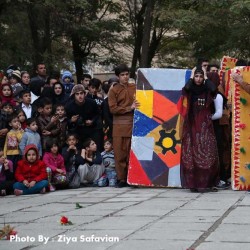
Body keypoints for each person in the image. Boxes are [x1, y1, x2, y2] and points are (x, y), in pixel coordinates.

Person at [179, 66, 219, 192]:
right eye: (196, 76)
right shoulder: (190, 90)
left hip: (204, 125)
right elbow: (185, 89)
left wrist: (207, 78)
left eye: (201, 76)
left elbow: (214, 89)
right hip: (191, 124)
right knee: (190, 153)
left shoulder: (207, 90)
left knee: (207, 152)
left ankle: (207, 183)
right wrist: (190, 77)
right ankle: (193, 184)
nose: (198, 78)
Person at [108, 64, 139, 187]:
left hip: (133, 124)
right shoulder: (113, 90)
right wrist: (129, 108)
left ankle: (132, 178)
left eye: (127, 74)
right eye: (122, 75)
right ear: (117, 76)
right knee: (120, 153)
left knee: (131, 153)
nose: (125, 77)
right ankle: (121, 179)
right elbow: (113, 109)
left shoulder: (135, 87)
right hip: (119, 126)